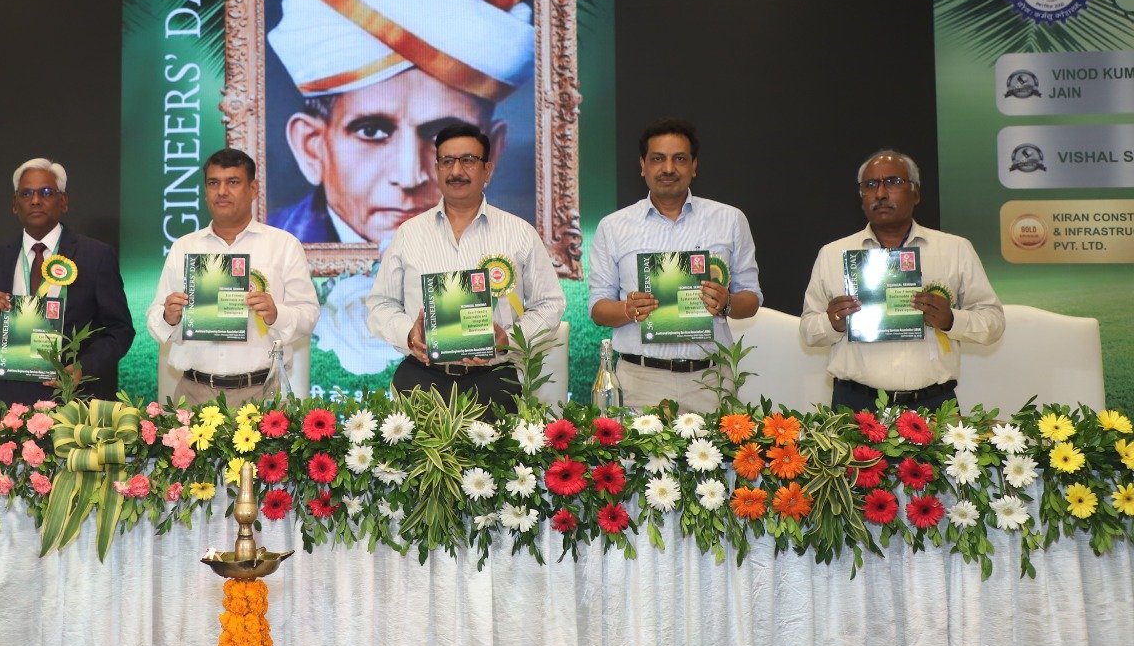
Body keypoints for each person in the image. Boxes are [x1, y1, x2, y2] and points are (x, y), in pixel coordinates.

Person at [266, 0, 535, 243]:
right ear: (312, 148)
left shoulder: (516, 252)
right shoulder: (265, 252)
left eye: (445, 137)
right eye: (371, 132)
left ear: (489, 156)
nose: (409, 177)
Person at [366, 123, 564, 411]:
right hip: (421, 379)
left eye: (468, 160)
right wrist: (409, 334)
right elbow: (380, 304)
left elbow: (550, 304)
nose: (456, 171)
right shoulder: (409, 234)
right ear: (437, 169)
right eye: (447, 161)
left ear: (487, 170)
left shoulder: (519, 233)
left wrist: (508, 339)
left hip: (495, 381)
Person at [801, 149, 1005, 411]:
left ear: (916, 192)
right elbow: (808, 331)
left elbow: (994, 322)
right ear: (861, 195)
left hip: (933, 405)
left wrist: (952, 320)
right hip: (855, 405)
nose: (881, 194)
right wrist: (832, 322)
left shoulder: (955, 249)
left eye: (894, 182)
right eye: (870, 185)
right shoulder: (832, 254)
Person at [587, 118, 762, 413]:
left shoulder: (730, 220)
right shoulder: (613, 227)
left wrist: (727, 302)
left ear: (694, 166)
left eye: (679, 159)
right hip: (640, 381)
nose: (668, 169)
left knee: (719, 460)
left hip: (711, 380)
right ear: (643, 165)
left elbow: (752, 299)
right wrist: (627, 309)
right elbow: (597, 309)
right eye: (658, 159)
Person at [147, 148, 319, 408]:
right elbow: (154, 316)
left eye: (233, 182)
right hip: (194, 392)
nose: (222, 191)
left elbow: (308, 315)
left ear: (253, 189)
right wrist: (168, 316)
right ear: (205, 191)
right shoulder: (185, 247)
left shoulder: (283, 245)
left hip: (262, 394)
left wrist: (275, 313)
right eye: (213, 183)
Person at [0, 158, 134, 406]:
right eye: (26, 193)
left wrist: (83, 367)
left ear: (64, 201)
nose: (36, 200)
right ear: (14, 204)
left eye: (47, 192)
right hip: (8, 402)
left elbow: (120, 330)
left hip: (74, 402)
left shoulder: (96, 256)